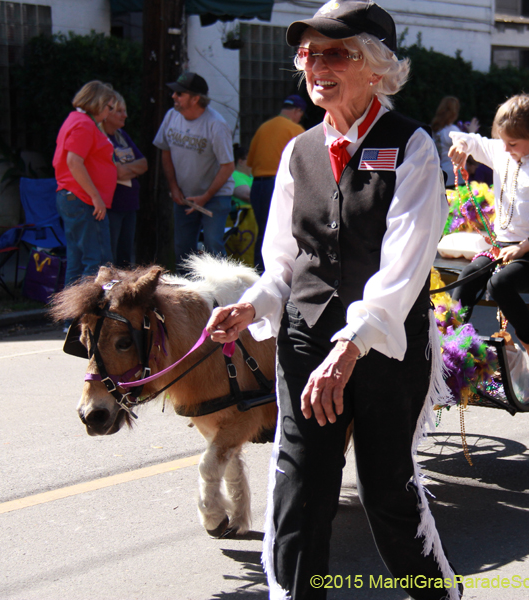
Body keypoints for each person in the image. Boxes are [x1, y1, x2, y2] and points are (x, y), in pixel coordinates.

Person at [205, 2, 459, 599]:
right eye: (309, 53)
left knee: (385, 492)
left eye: (335, 52)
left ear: (374, 68)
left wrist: (351, 346)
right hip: (304, 336)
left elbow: (403, 269)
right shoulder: (299, 152)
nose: (317, 65)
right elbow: (285, 263)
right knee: (298, 486)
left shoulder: (412, 148)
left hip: (383, 346)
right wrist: (254, 303)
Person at [447, 94, 529, 394]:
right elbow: (468, 140)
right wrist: (461, 149)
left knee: (500, 285)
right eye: (502, 142)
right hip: (501, 248)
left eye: (513, 144)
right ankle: (453, 354)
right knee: (465, 282)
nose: (505, 149)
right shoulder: (504, 152)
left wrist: (525, 246)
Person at [153, 72, 235, 268]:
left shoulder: (216, 124)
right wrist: (173, 187)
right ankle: (185, 295)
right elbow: (164, 151)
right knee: (183, 248)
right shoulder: (172, 116)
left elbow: (228, 166)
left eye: (179, 93)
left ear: (195, 98)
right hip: (184, 196)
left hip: (214, 197)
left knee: (213, 246)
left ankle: (218, 295)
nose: (173, 96)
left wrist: (206, 197)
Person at [52, 80, 118, 285]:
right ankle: (88, 315)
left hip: (73, 198)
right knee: (98, 264)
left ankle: (71, 317)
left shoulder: (76, 120)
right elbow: (74, 161)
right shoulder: (83, 124)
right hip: (82, 200)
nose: (109, 113)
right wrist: (96, 197)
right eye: (109, 107)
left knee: (77, 263)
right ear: (98, 102)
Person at [245, 94, 306, 268]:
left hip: (258, 186)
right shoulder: (296, 131)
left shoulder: (263, 128)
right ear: (297, 111)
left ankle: (259, 274)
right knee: (283, 235)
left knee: (263, 233)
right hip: (279, 186)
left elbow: (250, 162)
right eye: (300, 114)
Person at [101, 91, 147, 267]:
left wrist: (124, 169)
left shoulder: (122, 135)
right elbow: (116, 173)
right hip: (112, 205)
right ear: (107, 113)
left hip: (130, 204)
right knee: (109, 259)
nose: (125, 115)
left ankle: (126, 294)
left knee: (126, 259)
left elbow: (143, 164)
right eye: (119, 111)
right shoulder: (101, 137)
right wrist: (129, 170)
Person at [431, 96, 479, 187]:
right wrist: (472, 132)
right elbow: (466, 147)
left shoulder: (434, 130)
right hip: (455, 177)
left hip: (440, 175)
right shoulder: (452, 130)